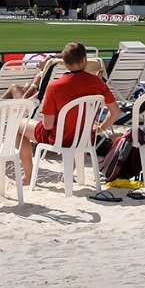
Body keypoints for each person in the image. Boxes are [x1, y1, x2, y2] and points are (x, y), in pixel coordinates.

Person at [19, 41, 120, 186]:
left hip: (60, 138)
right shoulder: (97, 82)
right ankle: (67, 174)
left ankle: (28, 175)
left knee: (18, 126)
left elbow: (47, 126)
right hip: (84, 137)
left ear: (64, 63)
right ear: (84, 59)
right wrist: (101, 128)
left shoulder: (54, 87)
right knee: (78, 132)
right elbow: (116, 111)